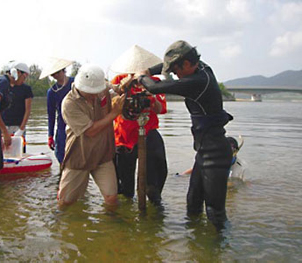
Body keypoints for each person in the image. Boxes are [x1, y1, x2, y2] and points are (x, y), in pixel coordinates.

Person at [138, 40, 233, 230]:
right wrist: (150, 70)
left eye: (176, 70)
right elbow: (166, 67)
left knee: (215, 213)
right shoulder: (202, 67)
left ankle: (218, 252)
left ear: (188, 64)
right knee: (193, 205)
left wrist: (141, 77)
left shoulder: (197, 81)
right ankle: (195, 248)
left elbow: (155, 88)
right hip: (204, 153)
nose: (175, 75)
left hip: (215, 154)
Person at [58, 64, 125, 207]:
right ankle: (62, 225)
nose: (95, 95)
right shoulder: (69, 104)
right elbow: (91, 131)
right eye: (91, 92)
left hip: (103, 155)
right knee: (66, 202)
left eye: (97, 91)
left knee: (111, 198)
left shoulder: (101, 89)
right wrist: (114, 114)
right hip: (79, 156)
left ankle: (112, 225)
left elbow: (114, 89)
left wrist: (125, 86)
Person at [109, 45, 168, 205]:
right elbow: (111, 103)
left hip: (148, 133)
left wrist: (150, 95)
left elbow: (161, 109)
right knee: (125, 188)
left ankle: (154, 199)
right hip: (124, 135)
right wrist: (124, 88)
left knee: (153, 184)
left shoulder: (154, 82)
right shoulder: (118, 81)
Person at [39, 58, 74, 164]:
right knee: (61, 156)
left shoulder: (75, 83)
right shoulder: (52, 91)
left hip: (77, 122)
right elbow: (51, 115)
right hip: (62, 125)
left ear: (63, 70)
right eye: (53, 74)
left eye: (57, 72)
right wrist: (50, 135)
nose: (56, 76)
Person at [3, 62, 34, 153]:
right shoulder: (4, 86)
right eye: (24, 76)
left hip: (18, 125)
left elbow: (27, 110)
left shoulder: (26, 89)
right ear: (18, 73)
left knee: (19, 151)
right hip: (4, 125)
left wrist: (21, 128)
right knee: (4, 151)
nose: (24, 79)